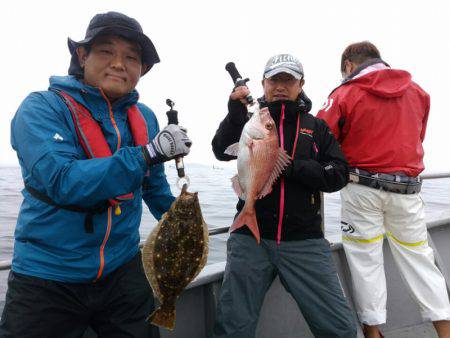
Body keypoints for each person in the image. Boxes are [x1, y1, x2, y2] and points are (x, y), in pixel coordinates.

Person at [0, 11, 192, 338]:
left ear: (142, 70)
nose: (119, 63)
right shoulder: (41, 109)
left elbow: (155, 188)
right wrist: (148, 153)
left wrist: (184, 220)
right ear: (82, 56)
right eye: (106, 51)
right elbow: (63, 180)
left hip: (123, 269)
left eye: (132, 57)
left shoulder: (144, 118)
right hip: (48, 274)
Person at [211, 54, 357, 338]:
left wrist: (291, 167)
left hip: (305, 240)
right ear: (264, 82)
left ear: (300, 84)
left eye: (288, 80)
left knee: (339, 328)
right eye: (274, 79)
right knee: (233, 327)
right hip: (249, 240)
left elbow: (338, 174)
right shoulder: (249, 120)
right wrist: (234, 113)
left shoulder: (316, 127)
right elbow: (219, 150)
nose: (280, 86)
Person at [317, 41, 450, 338]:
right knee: (420, 260)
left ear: (349, 65)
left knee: (366, 261)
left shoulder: (344, 93)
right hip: (408, 192)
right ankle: (445, 331)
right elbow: (417, 135)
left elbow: (321, 140)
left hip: (361, 190)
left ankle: (373, 333)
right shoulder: (418, 92)